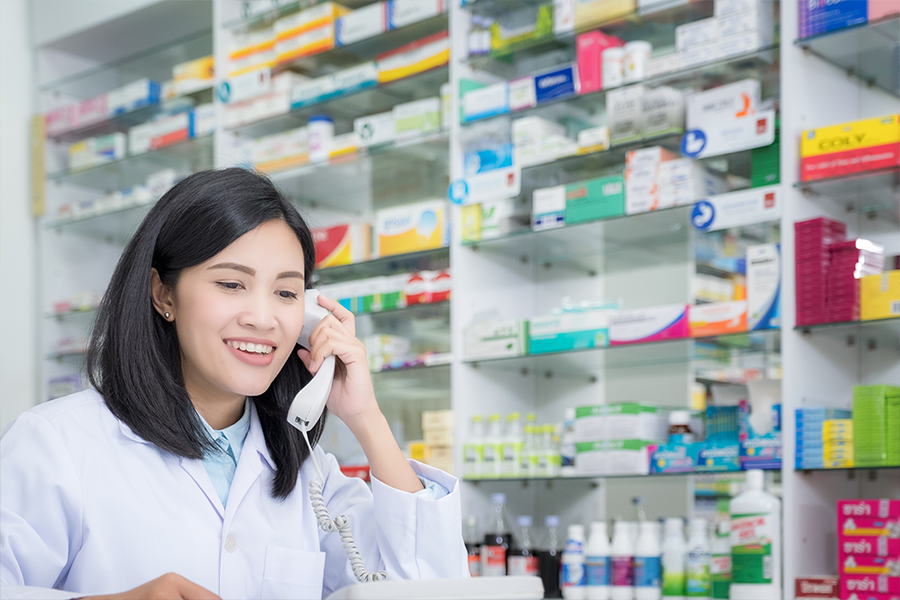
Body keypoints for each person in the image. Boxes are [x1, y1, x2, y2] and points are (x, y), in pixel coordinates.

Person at [0, 168, 467, 599]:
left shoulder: (309, 474)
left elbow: (432, 588)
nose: (263, 319)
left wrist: (367, 418)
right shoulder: (57, 444)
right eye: (231, 284)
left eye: (286, 292)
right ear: (164, 294)